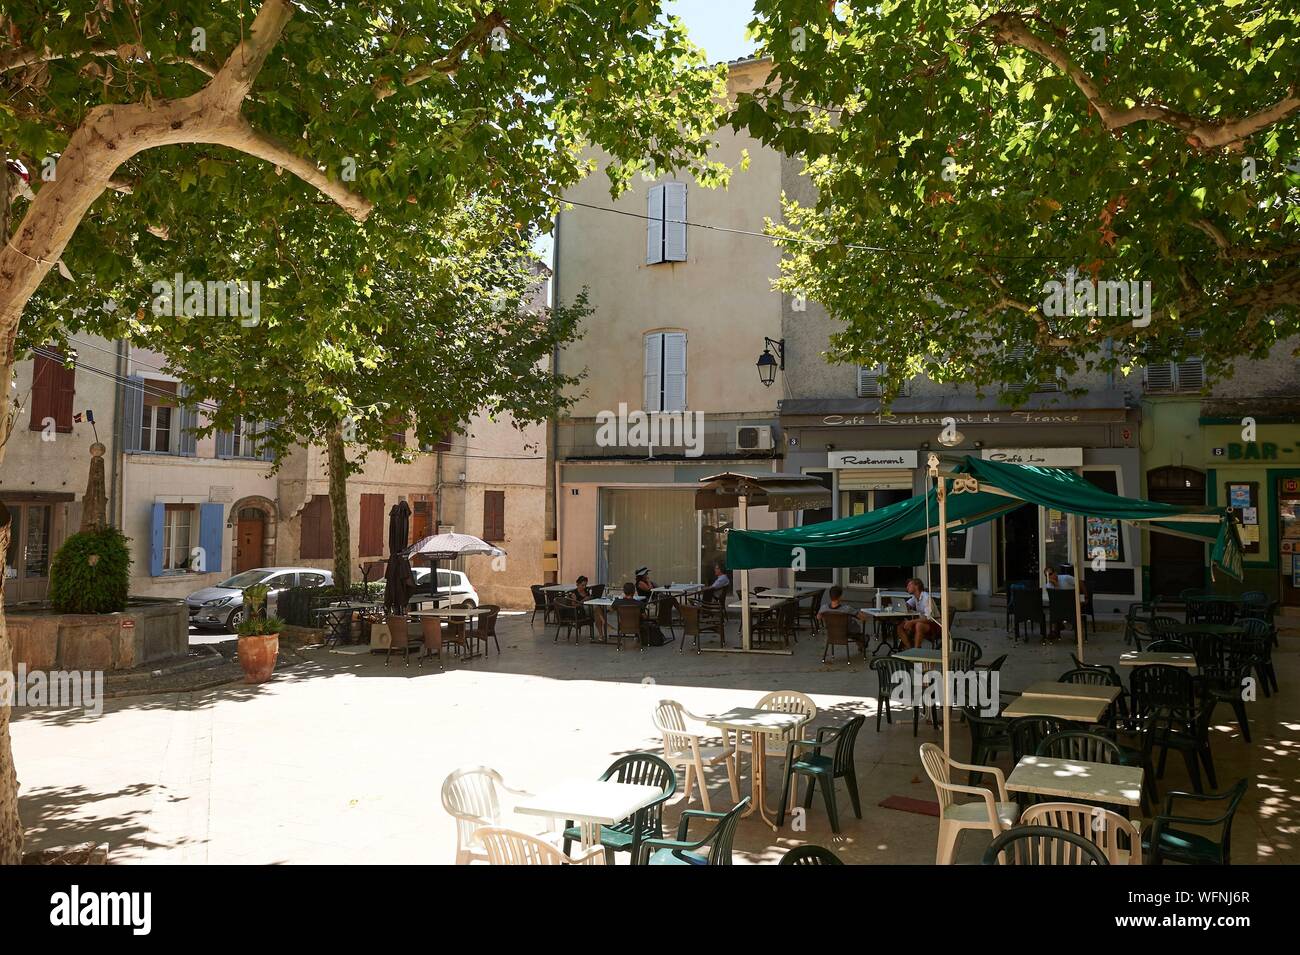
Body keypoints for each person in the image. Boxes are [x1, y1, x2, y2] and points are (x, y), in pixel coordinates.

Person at [896, 577, 939, 650]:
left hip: (934, 623)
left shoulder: (926, 598)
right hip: (923, 622)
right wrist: (902, 606)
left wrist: (912, 622)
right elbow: (907, 605)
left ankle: (916, 650)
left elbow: (929, 618)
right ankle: (910, 649)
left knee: (919, 625)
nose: (907, 587)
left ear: (916, 586)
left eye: (909, 585)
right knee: (900, 626)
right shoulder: (915, 597)